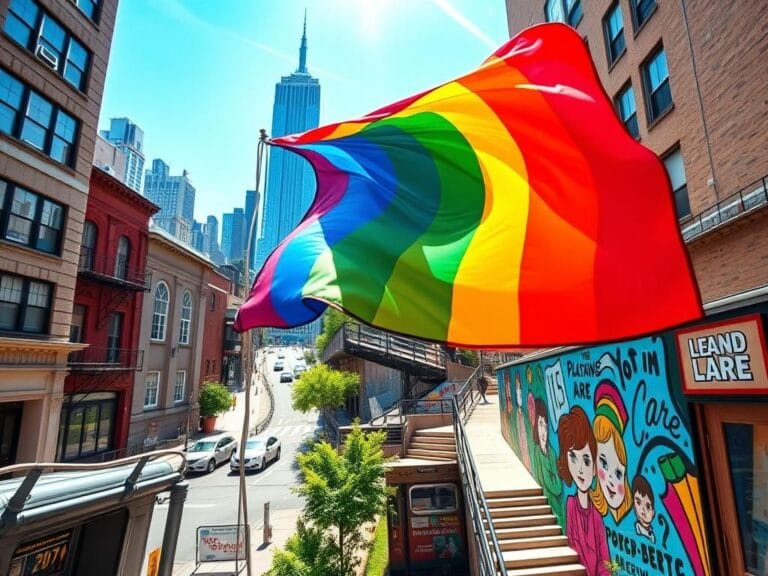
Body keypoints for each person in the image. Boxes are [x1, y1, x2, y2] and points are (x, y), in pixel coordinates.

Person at [556, 406, 610, 576]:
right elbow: (572, 543)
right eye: (573, 457)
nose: (580, 469)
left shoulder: (597, 517)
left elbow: (605, 561)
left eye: (586, 460)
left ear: (595, 467)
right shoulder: (570, 504)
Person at [632, 475, 656, 543]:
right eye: (638, 502)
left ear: (653, 512)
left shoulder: (652, 534)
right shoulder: (637, 530)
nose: (643, 510)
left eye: (648, 506)